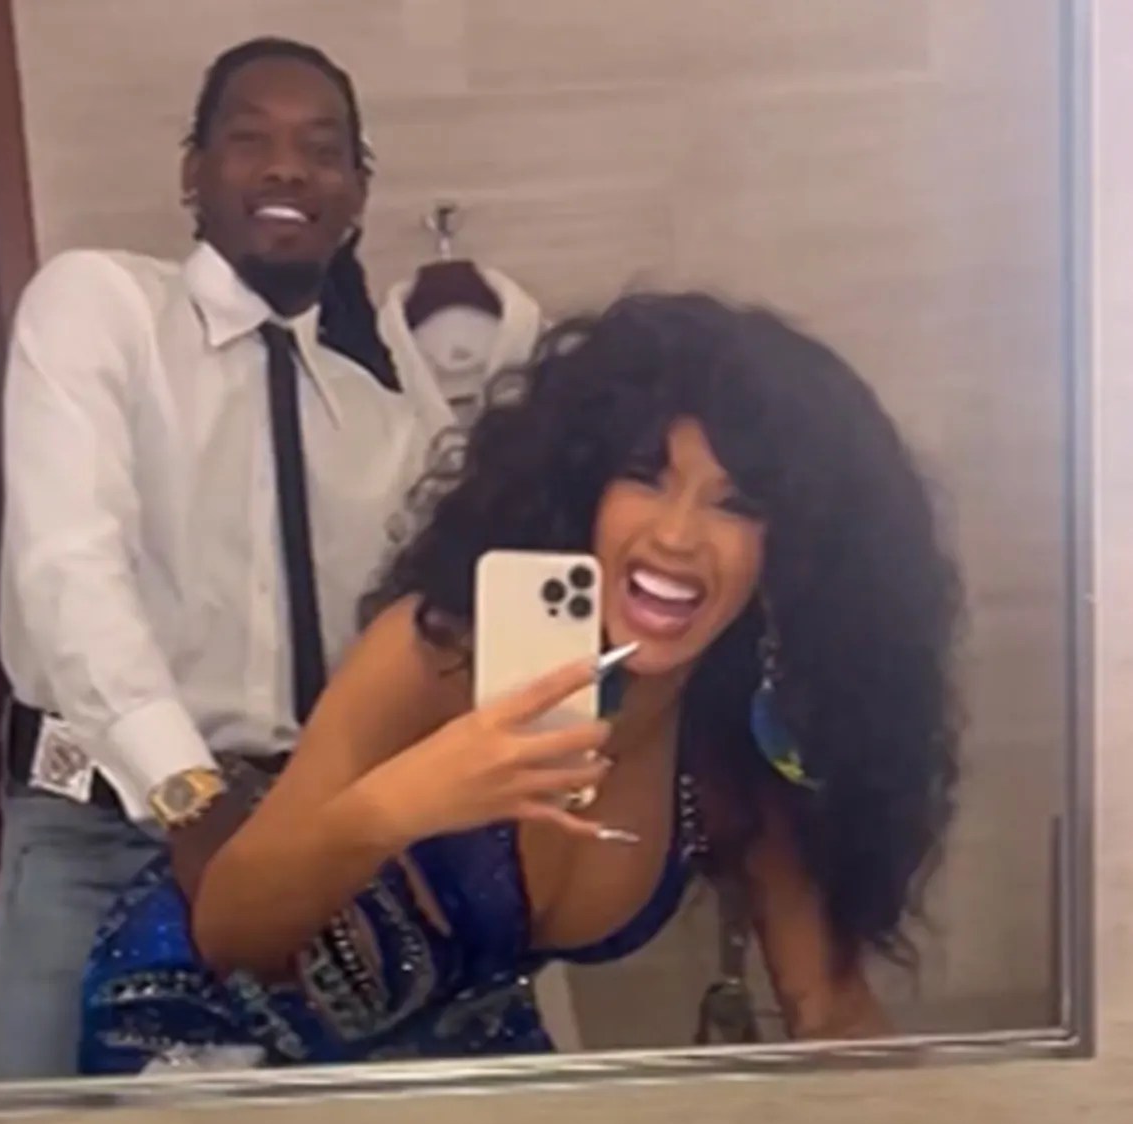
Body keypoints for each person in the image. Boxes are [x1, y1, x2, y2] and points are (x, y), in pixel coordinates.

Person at [77, 291, 968, 1072]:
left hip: (447, 1064)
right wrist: (409, 798)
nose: (676, 537)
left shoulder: (730, 759)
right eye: (644, 478)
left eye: (737, 505)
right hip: (206, 1038)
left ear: (799, 553)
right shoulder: (438, 656)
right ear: (584, 490)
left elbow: (830, 1014)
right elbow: (231, 931)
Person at [0, 36, 446, 1080]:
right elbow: (69, 569)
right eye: (249, 139)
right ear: (193, 172)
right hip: (97, 831)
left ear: (357, 191)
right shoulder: (98, 306)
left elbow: (404, 644)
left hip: (302, 846)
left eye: (321, 149)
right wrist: (190, 798)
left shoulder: (381, 419)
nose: (287, 168)